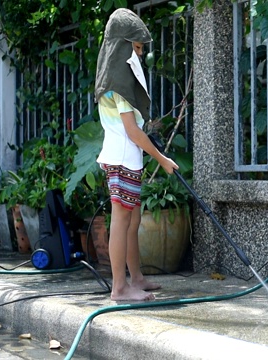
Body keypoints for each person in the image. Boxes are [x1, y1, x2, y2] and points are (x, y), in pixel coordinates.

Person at [94, 8, 179, 301]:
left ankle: (136, 277)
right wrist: (163, 160)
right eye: (138, 47)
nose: (140, 55)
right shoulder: (118, 87)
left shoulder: (116, 83)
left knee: (133, 220)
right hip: (121, 158)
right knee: (121, 220)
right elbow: (131, 131)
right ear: (122, 47)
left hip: (127, 159)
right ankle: (119, 288)